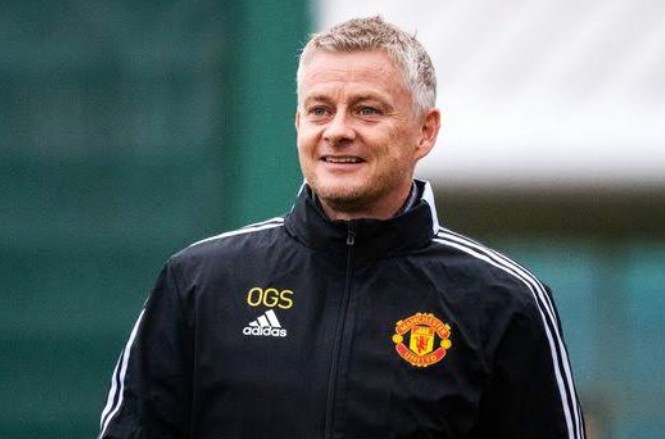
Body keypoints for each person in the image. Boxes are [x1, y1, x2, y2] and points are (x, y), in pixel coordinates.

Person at [98, 16, 586, 439]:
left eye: (367, 110)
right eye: (320, 110)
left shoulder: (504, 301)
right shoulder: (199, 282)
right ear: (298, 123)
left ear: (425, 131)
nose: (337, 131)